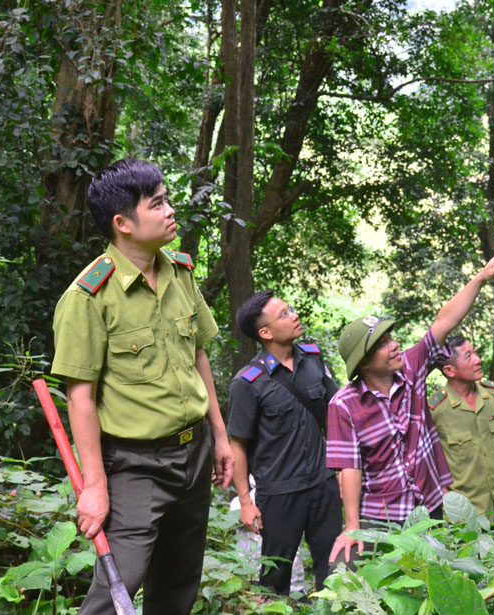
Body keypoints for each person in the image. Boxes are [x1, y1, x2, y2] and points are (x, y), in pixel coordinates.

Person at [50, 158, 234, 615]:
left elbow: (198, 357)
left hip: (195, 453)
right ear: (123, 223)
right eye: (158, 203)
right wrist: (94, 485)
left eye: (167, 199)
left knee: (178, 584)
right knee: (119, 584)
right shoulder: (88, 296)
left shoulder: (181, 272)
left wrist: (222, 437)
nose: (171, 210)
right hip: (136, 464)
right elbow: (81, 398)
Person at [327, 245, 494, 564]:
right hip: (380, 514)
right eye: (382, 344)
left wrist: (481, 278)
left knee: (434, 584)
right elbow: (349, 468)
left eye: (390, 337)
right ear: (365, 363)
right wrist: (353, 527)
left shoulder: (411, 367)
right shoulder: (344, 405)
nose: (394, 344)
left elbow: (444, 321)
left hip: (429, 506)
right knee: (349, 576)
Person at [227, 290, 342, 595]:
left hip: (323, 484)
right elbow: (237, 444)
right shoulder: (247, 382)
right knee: (275, 579)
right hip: (278, 494)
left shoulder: (314, 360)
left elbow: (335, 418)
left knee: (334, 571)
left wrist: (341, 473)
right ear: (265, 333)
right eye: (284, 314)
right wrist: (246, 502)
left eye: (290, 309)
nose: (294, 315)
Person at [428, 336, 494, 521]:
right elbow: (429, 463)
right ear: (449, 370)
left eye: (475, 352)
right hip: (468, 510)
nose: (478, 360)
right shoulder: (435, 410)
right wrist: (447, 500)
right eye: (468, 356)